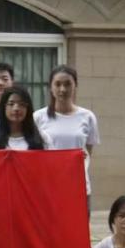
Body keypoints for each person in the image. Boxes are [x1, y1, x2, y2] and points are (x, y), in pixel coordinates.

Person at [34, 65, 101, 207]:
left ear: (75, 85)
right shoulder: (38, 117)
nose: (62, 89)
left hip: (78, 186)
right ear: (50, 87)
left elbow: (88, 152)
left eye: (67, 84)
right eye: (57, 84)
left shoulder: (87, 117)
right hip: (48, 187)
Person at [0, 86, 51, 151]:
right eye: (11, 104)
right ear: (4, 108)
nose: (16, 108)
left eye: (21, 104)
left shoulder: (42, 138)